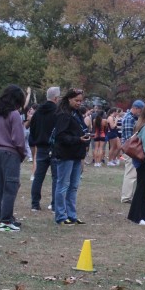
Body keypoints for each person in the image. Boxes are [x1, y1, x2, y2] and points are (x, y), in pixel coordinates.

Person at [0, 85, 27, 232]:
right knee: (10, 187)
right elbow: (18, 138)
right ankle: (6, 221)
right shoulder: (14, 114)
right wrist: (22, 153)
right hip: (11, 153)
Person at [52, 88, 91, 225]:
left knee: (73, 186)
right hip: (66, 154)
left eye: (80, 101)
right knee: (63, 185)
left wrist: (84, 139)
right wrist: (77, 139)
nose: (79, 103)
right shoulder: (63, 114)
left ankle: (72, 215)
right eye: (76, 100)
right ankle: (61, 216)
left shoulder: (77, 114)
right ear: (69, 99)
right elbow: (60, 136)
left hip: (77, 154)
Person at [30, 87, 60, 212]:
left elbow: (32, 128)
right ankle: (54, 204)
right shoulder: (58, 112)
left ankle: (35, 203)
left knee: (38, 176)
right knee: (56, 177)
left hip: (41, 146)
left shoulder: (38, 112)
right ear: (56, 98)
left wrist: (37, 139)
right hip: (54, 147)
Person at [119, 100, 145, 203]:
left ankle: (128, 195)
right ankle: (126, 197)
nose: (141, 113)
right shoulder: (129, 119)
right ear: (136, 108)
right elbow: (130, 138)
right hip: (130, 150)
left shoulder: (132, 118)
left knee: (131, 173)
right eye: (141, 110)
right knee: (130, 173)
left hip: (131, 149)